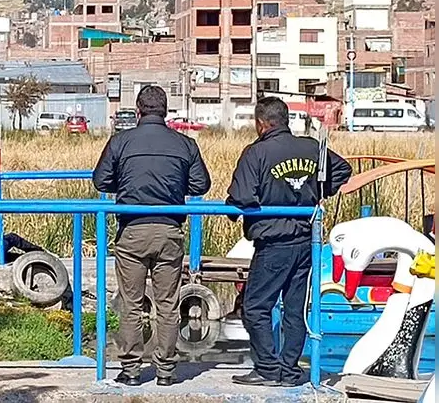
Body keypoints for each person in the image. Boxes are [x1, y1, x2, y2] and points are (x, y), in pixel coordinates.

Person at [226, 96, 351, 387]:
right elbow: (343, 170)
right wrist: (318, 191)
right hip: (306, 239)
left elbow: (242, 196)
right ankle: (290, 370)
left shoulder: (256, 153)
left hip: (273, 241)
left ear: (260, 124)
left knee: (256, 306)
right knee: (294, 308)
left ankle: (268, 369)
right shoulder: (310, 147)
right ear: (285, 120)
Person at [92, 85, 211, 387]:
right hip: (169, 232)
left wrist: (127, 182)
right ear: (166, 110)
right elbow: (201, 185)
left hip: (132, 230)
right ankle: (166, 372)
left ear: (138, 109)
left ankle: (131, 370)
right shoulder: (185, 144)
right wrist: (174, 186)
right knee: (167, 304)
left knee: (131, 303)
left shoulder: (121, 141)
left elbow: (101, 180)